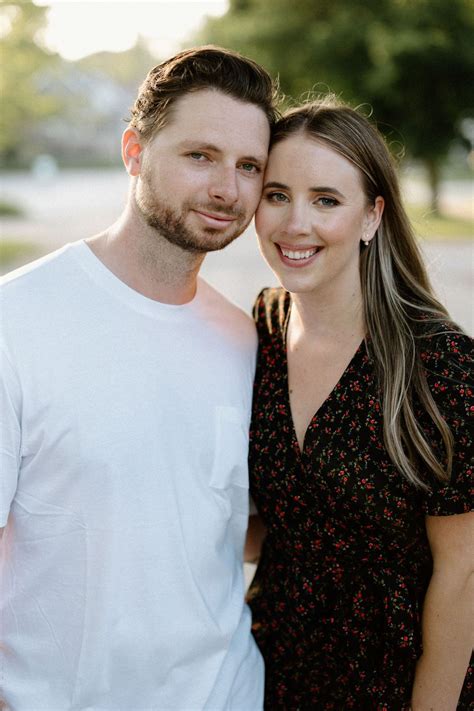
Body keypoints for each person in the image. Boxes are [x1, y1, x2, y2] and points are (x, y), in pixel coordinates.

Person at [0, 45, 278, 709]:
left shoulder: (246, 339)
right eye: (199, 155)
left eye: (249, 167)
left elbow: (223, 520)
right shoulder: (16, 321)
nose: (227, 188)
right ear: (134, 151)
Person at [246, 98, 473, 709]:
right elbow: (274, 517)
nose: (296, 224)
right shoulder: (262, 326)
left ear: (372, 217)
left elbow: (463, 578)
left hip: (395, 684)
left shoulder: (443, 365)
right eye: (276, 194)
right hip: (271, 671)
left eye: (326, 199)